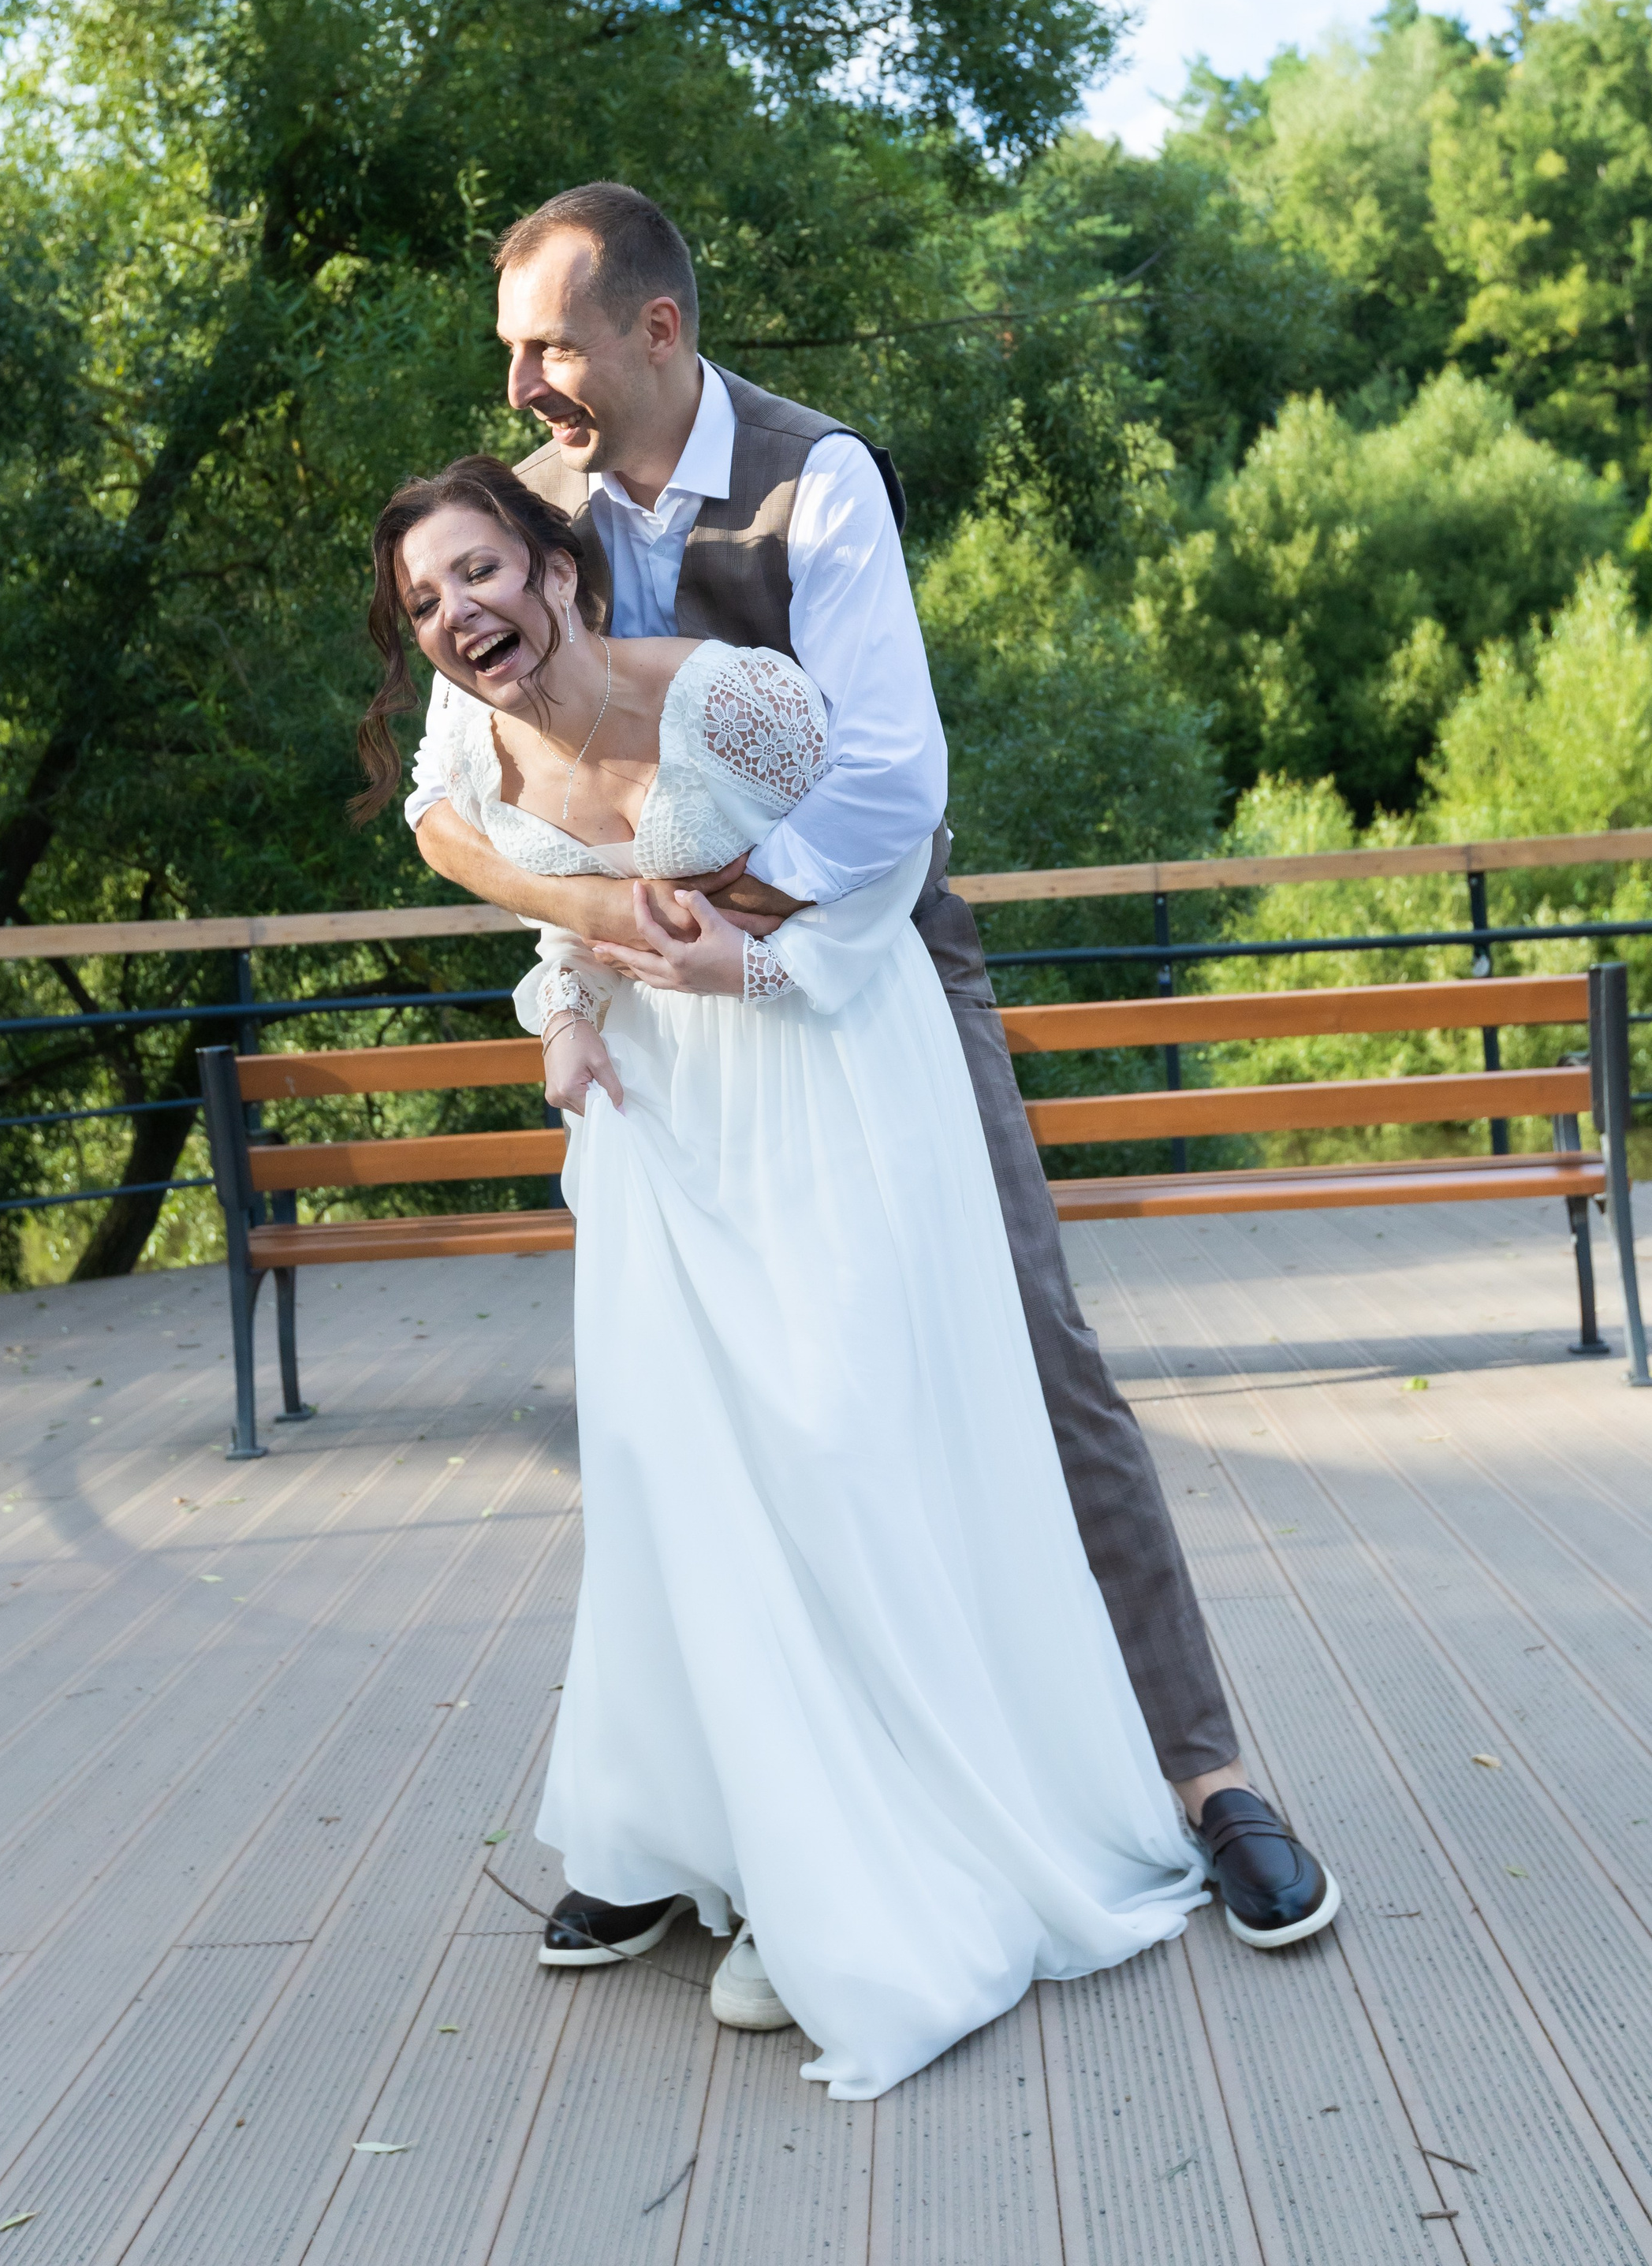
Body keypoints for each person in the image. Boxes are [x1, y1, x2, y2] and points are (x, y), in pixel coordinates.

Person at [401, 184, 1340, 1972]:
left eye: (549, 346)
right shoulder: (516, 524)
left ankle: (1199, 1770)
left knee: (1025, 1349)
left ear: (654, 332)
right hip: (671, 1040)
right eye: (511, 351)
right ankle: (697, 1822)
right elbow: (454, 793)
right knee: (704, 1416)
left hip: (859, 978)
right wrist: (600, 911)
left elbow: (889, 783)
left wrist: (747, 936)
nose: (522, 383)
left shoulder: (813, 479)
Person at [355, 456, 1216, 2100]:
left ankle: (863, 1847)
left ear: (558, 566)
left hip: (816, 1073)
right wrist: (561, 1026)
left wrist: (755, 958)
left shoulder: (733, 697)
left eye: (478, 570)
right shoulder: (475, 733)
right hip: (662, 1125)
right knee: (684, 1473)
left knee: (831, 1442)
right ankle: (737, 1840)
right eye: (421, 599)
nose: (455, 612)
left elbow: (888, 861)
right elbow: (539, 909)